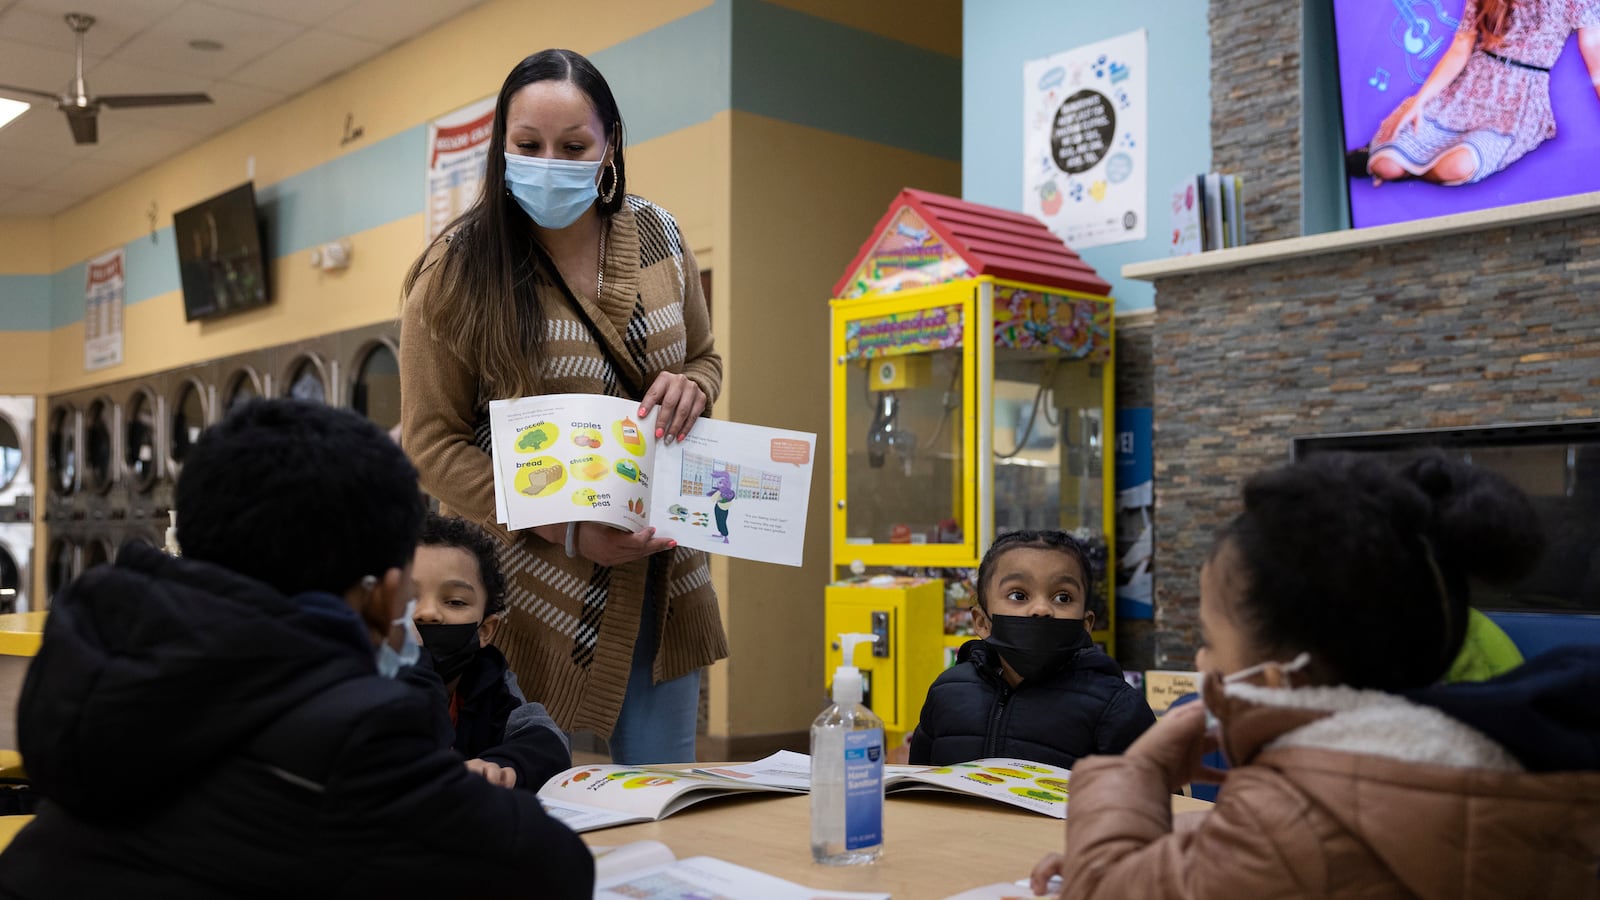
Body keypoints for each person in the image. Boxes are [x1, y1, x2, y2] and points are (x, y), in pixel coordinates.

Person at [0, 400, 593, 899]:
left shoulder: (96, 679)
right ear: (388, 595)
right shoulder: (356, 742)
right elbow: (551, 866)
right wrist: (406, 667)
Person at [1030, 452, 1600, 899]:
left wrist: (1140, 772)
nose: (1201, 664)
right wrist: (1169, 851)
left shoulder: (1293, 820)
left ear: (1285, 674)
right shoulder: (1447, 758)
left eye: (1209, 641)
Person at [401, 48, 724, 766]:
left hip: (666, 578)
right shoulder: (455, 271)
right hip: (532, 593)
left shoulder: (662, 237)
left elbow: (705, 356)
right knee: (538, 804)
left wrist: (695, 385)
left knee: (656, 805)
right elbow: (431, 442)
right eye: (529, 146)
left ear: (610, 143)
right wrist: (566, 528)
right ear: (501, 148)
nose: (551, 162)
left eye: (574, 147)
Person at [907, 530, 1155, 769]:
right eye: (1018, 595)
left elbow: (1160, 802)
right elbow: (918, 785)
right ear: (982, 623)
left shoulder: (1118, 708)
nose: (1041, 609)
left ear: (1085, 625)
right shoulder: (946, 692)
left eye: (1063, 597)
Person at [1350, 0, 1600, 186]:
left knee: (1457, 167)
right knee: (1385, 166)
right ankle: (1395, 164)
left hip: (1517, 103)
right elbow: (1460, 47)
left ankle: (1410, 168)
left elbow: (1596, 60)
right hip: (1464, 91)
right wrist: (1419, 101)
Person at [404, 512, 571, 790]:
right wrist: (413, 662)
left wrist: (500, 768)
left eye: (455, 602)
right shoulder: (360, 678)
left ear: (484, 631)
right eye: (407, 599)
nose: (429, 613)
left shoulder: (488, 677)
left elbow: (549, 743)